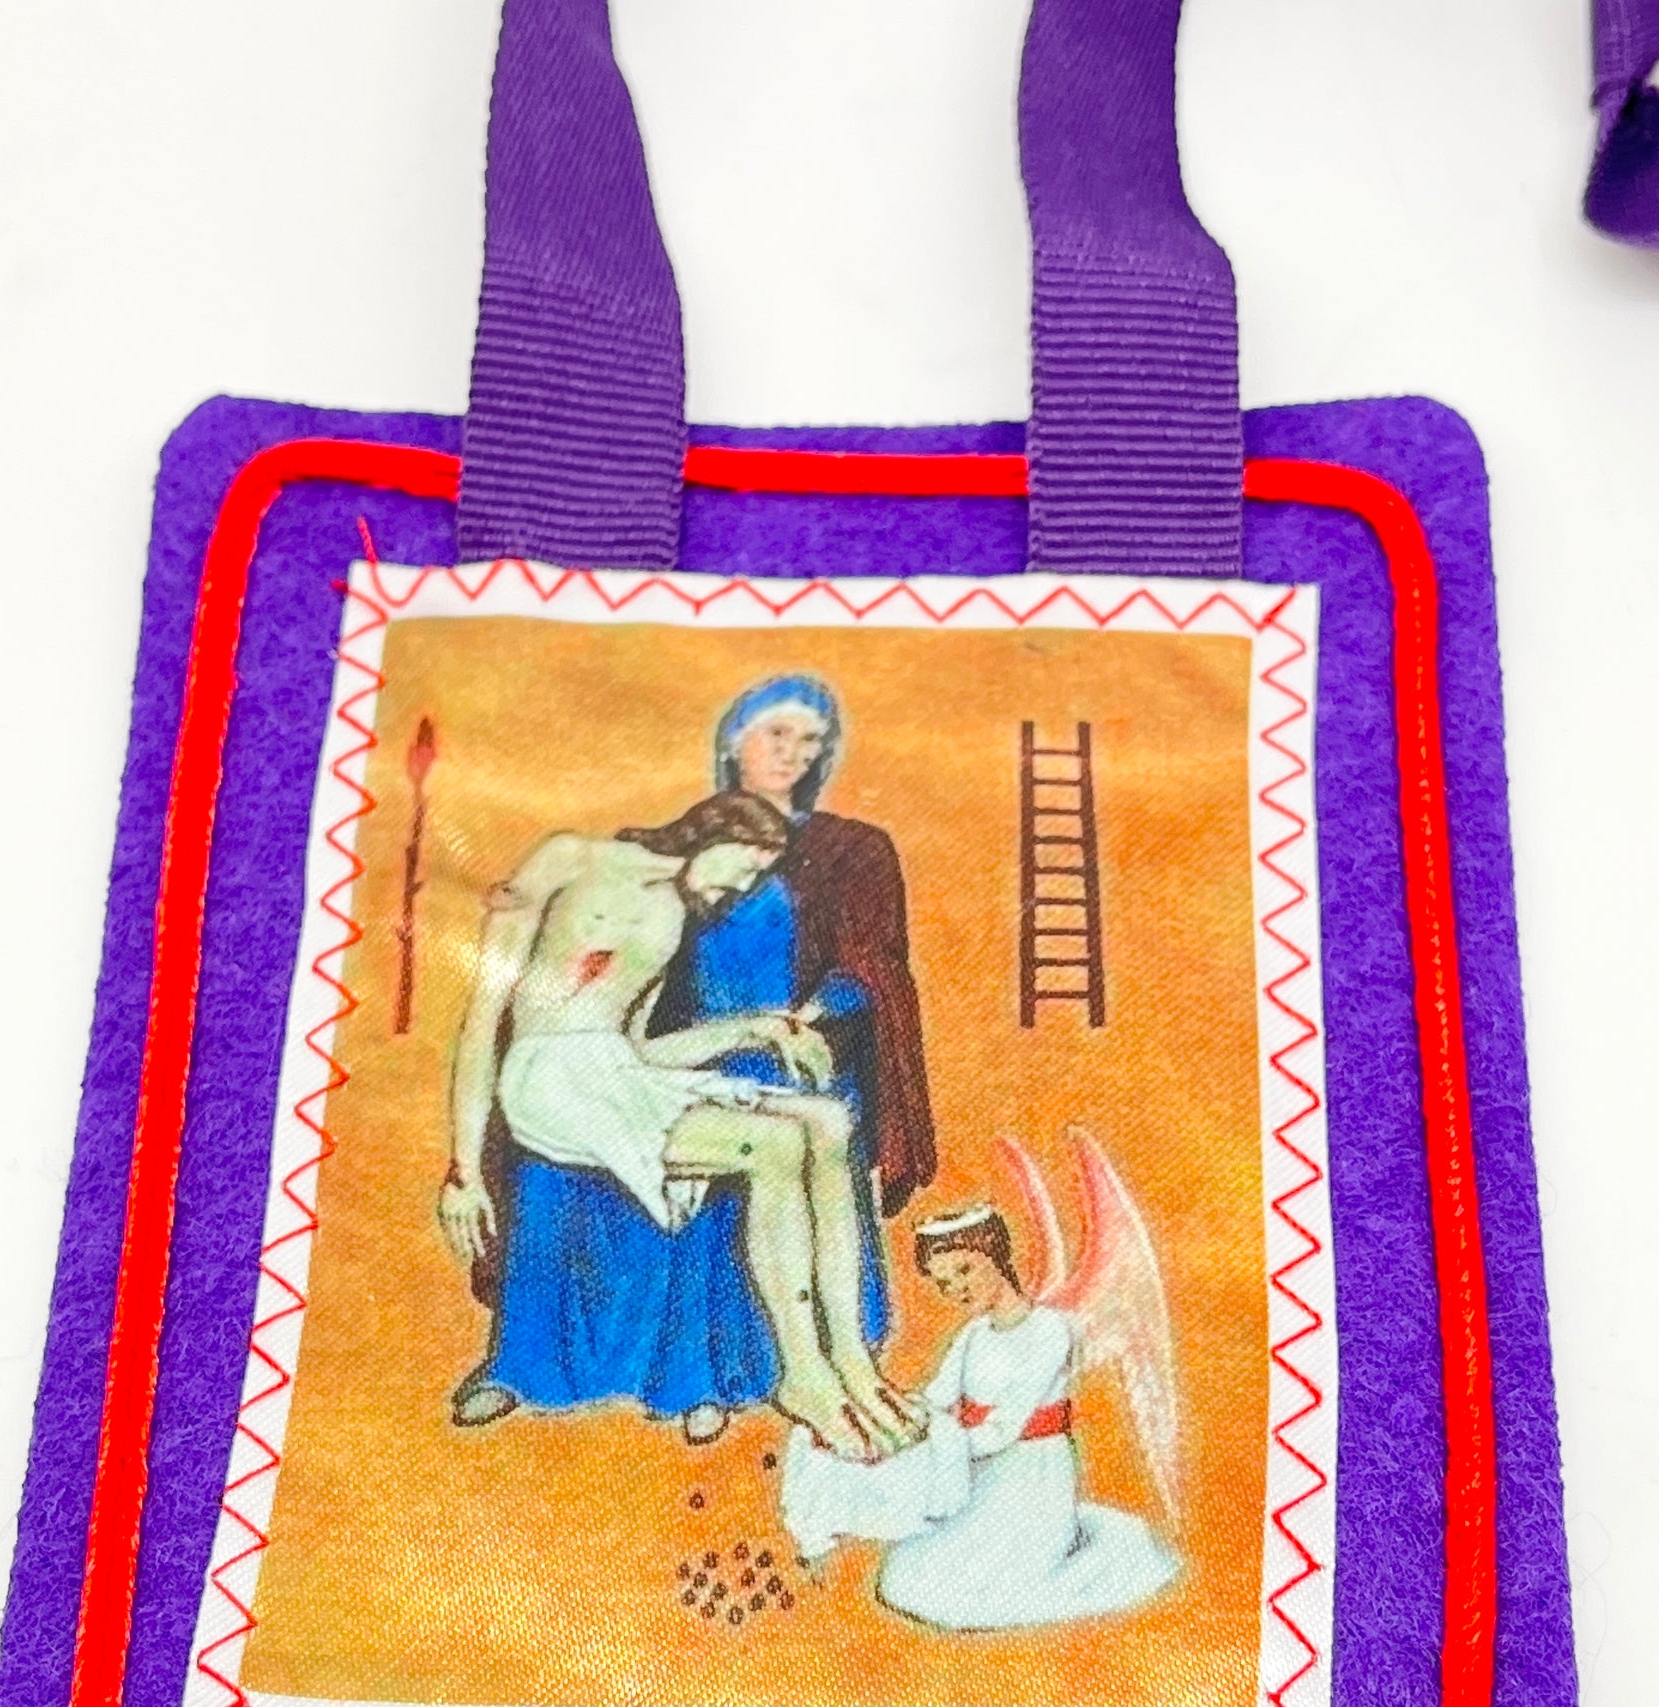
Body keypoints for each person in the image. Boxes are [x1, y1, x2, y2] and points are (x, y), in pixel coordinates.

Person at [438, 791, 922, 1462]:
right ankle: (803, 1373)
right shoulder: (566, 858)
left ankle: (850, 1361)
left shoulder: (672, 916)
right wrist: (464, 1170)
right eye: (745, 867)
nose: (741, 889)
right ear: (714, 834)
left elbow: (637, 1050)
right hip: (547, 1080)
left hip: (613, 1075)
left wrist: (758, 1028)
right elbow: (483, 1018)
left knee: (830, 1121)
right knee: (775, 1145)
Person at [644, 672, 938, 1438]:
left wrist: (807, 1016)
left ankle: (846, 1364)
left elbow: (874, 960)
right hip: (702, 1051)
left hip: (807, 1043)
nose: (795, 754)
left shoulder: (851, 848)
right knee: (731, 1158)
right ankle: (708, 1373)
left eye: (811, 742)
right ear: (732, 740)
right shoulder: (682, 845)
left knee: (819, 1120)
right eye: (778, 734)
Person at [778, 1204, 1179, 1628]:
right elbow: (935, 1398)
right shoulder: (973, 1335)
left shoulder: (1049, 1331)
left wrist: (932, 1446)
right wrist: (884, 1417)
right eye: (944, 1283)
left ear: (994, 1255)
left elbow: (1002, 1430)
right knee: (904, 1577)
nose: (958, 1289)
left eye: (964, 1270)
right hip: (979, 1475)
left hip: (1033, 1477)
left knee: (972, 1592)